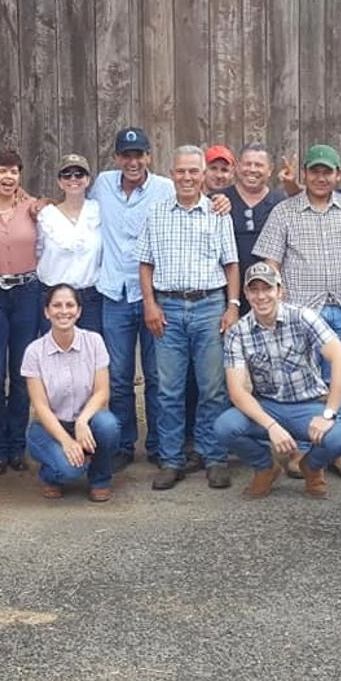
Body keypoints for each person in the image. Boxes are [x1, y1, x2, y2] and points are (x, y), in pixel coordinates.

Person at [252, 143, 341, 480]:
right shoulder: (284, 212)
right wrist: (276, 307)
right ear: (305, 175)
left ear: (339, 175)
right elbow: (270, 262)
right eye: (315, 171)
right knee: (303, 383)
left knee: (338, 381)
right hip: (301, 314)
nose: (321, 178)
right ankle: (302, 452)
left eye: (328, 172)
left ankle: (338, 452)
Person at [135, 145, 241, 491]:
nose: (187, 177)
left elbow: (231, 264)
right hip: (167, 307)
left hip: (209, 305)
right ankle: (171, 460)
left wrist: (233, 305)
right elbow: (145, 262)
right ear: (171, 173)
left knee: (212, 388)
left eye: (194, 172)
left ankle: (214, 457)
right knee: (168, 389)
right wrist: (150, 303)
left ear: (203, 175)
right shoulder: (157, 212)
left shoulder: (218, 213)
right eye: (181, 171)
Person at [214, 263, 341, 501]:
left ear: (280, 291)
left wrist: (328, 414)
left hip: (308, 404)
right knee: (224, 427)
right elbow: (237, 392)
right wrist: (271, 427)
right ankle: (265, 467)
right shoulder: (238, 332)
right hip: (267, 405)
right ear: (246, 294)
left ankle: (311, 465)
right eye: (254, 290)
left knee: (337, 439)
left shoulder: (303, 317)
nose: (261, 296)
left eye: (267, 288)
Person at [90, 127, 174, 470]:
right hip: (114, 294)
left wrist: (219, 198)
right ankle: (125, 444)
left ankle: (157, 444)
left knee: (157, 377)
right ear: (116, 158)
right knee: (120, 377)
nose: (133, 161)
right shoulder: (102, 184)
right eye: (126, 155)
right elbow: (73, 200)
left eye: (139, 154)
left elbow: (194, 200)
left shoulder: (165, 189)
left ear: (149, 157)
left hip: (154, 296)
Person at [0, 150, 42, 476]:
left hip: (28, 292)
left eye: (14, 171)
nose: (8, 177)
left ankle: (18, 446)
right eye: (2, 171)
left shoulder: (34, 208)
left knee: (21, 372)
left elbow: (58, 212)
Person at [21, 283, 121, 502]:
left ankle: (100, 479)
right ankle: (51, 476)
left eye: (70, 305)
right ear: (47, 312)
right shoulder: (34, 352)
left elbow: (102, 391)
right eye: (56, 305)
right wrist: (67, 441)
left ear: (79, 311)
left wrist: (82, 421)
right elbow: (40, 407)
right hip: (49, 428)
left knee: (108, 425)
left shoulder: (94, 342)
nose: (63, 311)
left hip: (87, 422)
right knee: (70, 470)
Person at [36, 153, 103, 334]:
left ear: (88, 180)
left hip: (89, 298)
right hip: (54, 297)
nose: (73, 179)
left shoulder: (98, 211)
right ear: (59, 181)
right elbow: (38, 252)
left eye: (79, 174)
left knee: (90, 355)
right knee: (53, 355)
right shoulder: (46, 216)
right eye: (67, 175)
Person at [222, 142, 285, 313]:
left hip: (268, 295)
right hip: (226, 297)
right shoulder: (218, 200)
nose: (252, 169)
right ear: (237, 166)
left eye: (259, 165)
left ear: (270, 169)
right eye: (247, 163)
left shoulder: (282, 203)